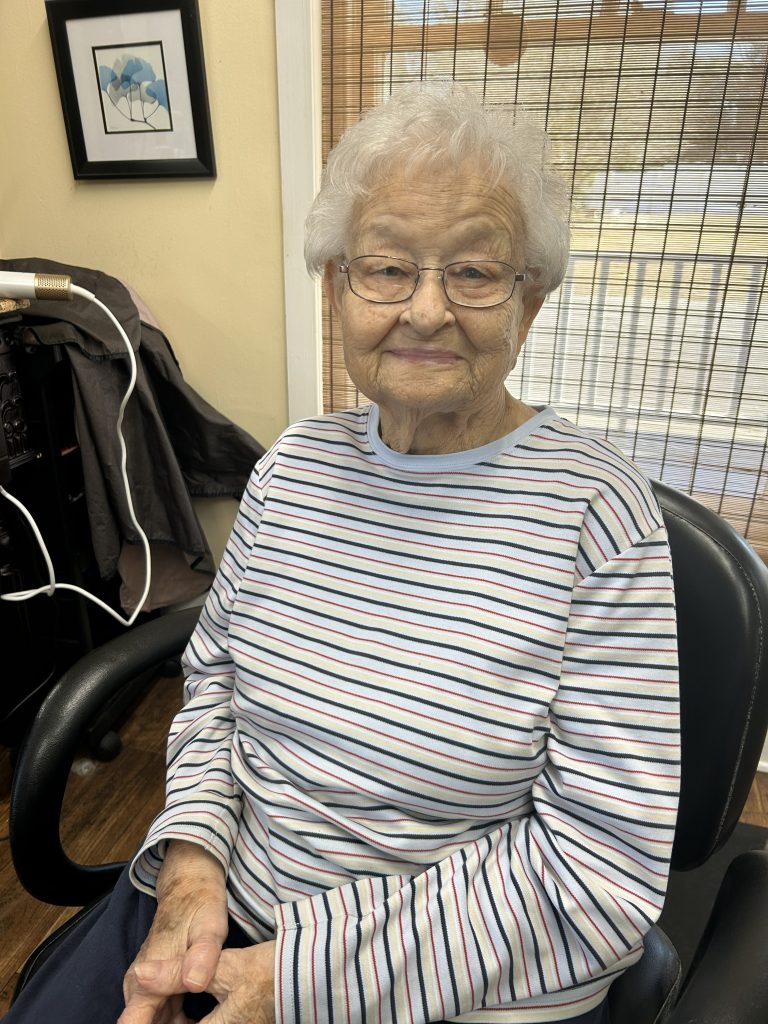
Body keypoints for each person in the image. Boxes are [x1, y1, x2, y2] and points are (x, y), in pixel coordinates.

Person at [5, 83, 680, 1024]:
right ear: (336, 286)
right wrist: (192, 872)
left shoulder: (598, 513)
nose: (428, 310)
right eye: (388, 268)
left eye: (476, 272)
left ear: (531, 300)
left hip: (449, 980)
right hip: (214, 912)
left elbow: (599, 871)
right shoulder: (293, 468)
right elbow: (218, 689)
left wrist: (292, 980)